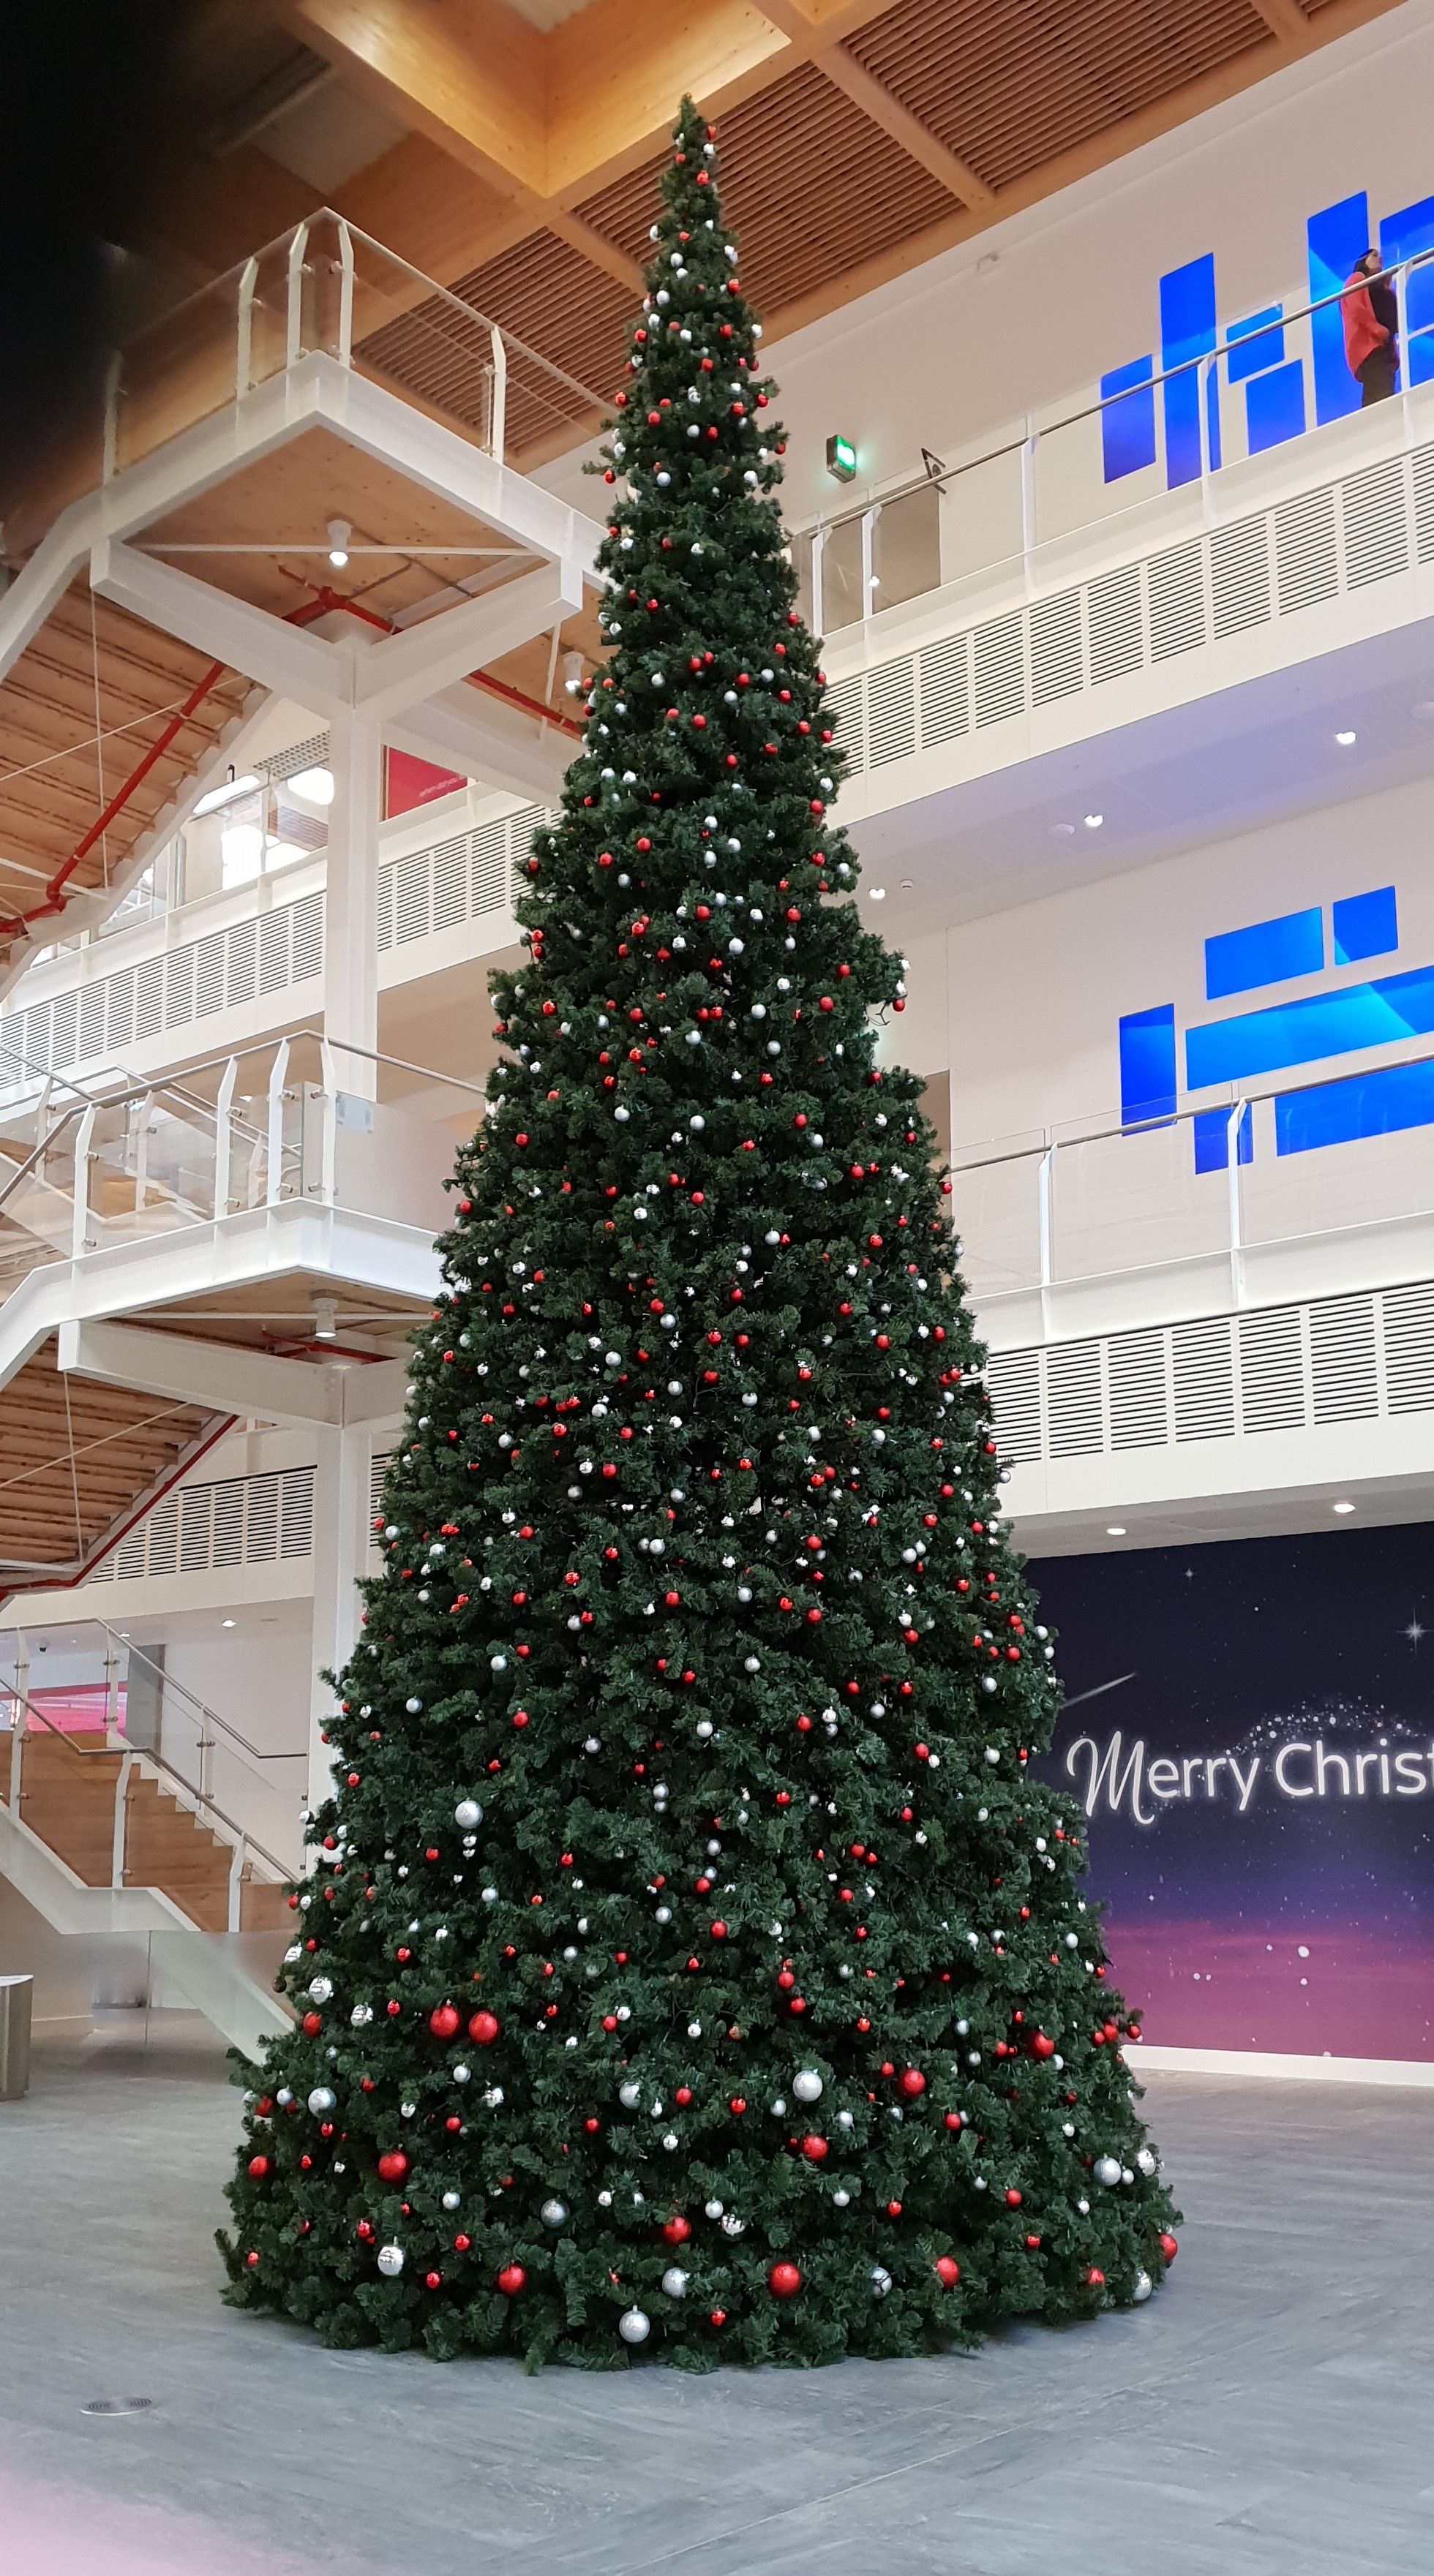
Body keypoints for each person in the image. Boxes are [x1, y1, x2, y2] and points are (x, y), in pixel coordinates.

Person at [1342, 247, 1400, 404]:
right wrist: (1377, 329)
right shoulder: (1356, 279)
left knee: (1384, 384)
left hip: (1383, 347)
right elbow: (1356, 309)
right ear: (1363, 261)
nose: (1379, 258)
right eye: (1374, 255)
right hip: (1369, 346)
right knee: (1377, 386)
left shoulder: (1382, 288)